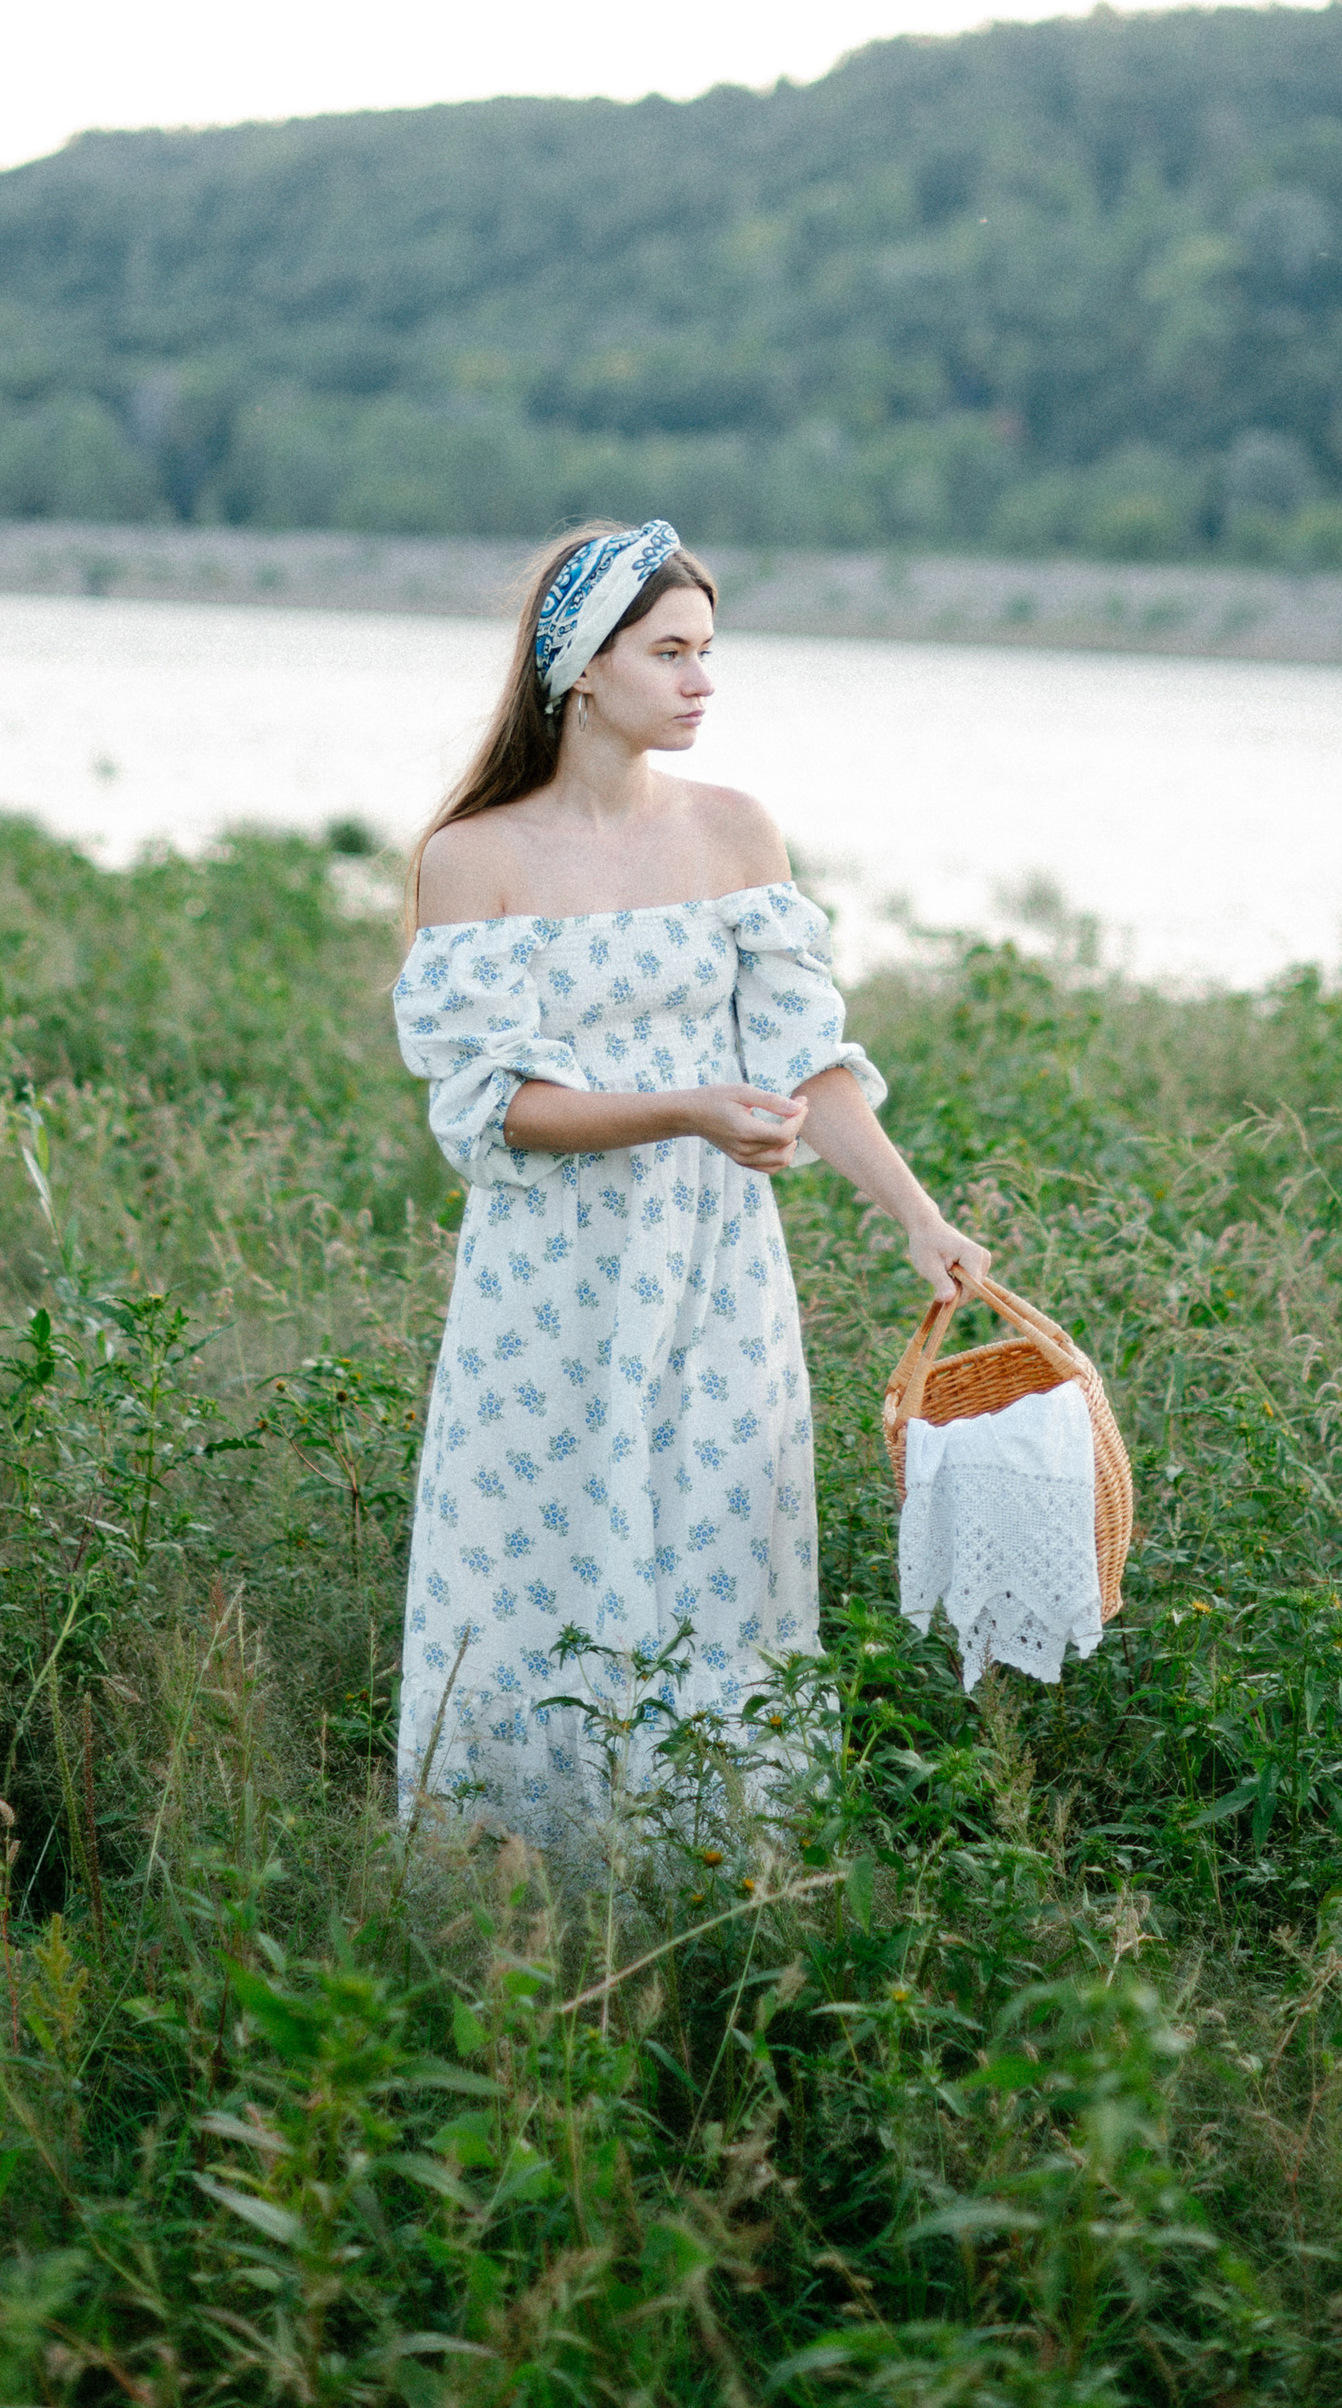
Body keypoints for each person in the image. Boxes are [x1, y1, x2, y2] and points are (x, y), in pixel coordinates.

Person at [392, 516, 991, 1839]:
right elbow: (496, 1112)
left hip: (717, 1271)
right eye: (670, 652)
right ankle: (512, 1884)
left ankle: (719, 1884)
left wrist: (918, 1216)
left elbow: (806, 1062)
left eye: (707, 651)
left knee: (726, 1553)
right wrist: (688, 1108)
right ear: (578, 668)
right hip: (548, 1283)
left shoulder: (733, 833)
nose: (701, 680)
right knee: (534, 1568)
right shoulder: (475, 856)